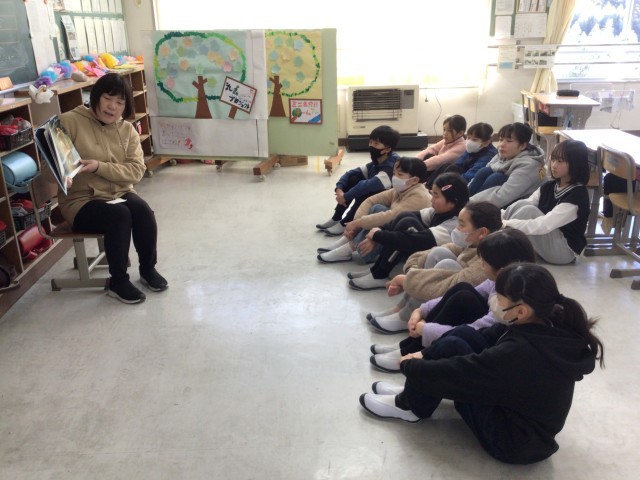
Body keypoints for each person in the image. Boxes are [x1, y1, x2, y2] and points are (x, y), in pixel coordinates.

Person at [359, 263, 605, 465]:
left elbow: (461, 371)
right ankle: (412, 391)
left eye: (500, 298)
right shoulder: (547, 321)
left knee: (452, 349)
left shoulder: (521, 352)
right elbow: (483, 336)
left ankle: (410, 406)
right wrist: (423, 356)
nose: (495, 301)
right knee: (463, 334)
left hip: (512, 441)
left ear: (521, 311)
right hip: (521, 422)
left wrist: (411, 367)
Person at [57, 73, 167, 304]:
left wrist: (99, 167)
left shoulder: (127, 130)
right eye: (108, 98)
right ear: (95, 97)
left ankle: (148, 270)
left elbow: (136, 171)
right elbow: (51, 168)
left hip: (118, 192)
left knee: (143, 211)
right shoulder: (68, 121)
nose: (113, 106)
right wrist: (60, 174)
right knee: (119, 215)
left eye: (120, 102)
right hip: (80, 200)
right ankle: (118, 281)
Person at [369, 228, 536, 373]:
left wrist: (426, 329)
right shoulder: (500, 280)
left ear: (502, 270)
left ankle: (416, 356)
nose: (481, 266)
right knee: (463, 290)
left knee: (462, 307)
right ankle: (410, 347)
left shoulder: (512, 302)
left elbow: (476, 330)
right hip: (482, 335)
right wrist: (422, 310)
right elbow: (470, 291)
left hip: (491, 350)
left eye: (484, 263)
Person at [367, 201, 502, 333]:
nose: (456, 229)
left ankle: (408, 316)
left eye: (461, 225)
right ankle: (402, 308)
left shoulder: (490, 256)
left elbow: (451, 286)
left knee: (447, 265)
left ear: (482, 232)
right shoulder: (474, 243)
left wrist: (407, 280)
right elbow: (424, 254)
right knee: (439, 252)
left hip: (471, 310)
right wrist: (411, 273)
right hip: (449, 294)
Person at [348, 172, 469, 291]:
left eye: (436, 196)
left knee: (407, 226)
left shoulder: (454, 224)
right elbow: (406, 215)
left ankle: (380, 274)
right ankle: (376, 269)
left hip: (435, 262)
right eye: (432, 194)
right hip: (423, 249)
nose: (432, 200)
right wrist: (380, 230)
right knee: (405, 217)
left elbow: (413, 240)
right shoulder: (438, 211)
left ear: (453, 202)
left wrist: (378, 236)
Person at [317, 158, 431, 264]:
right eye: (394, 173)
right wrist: (356, 224)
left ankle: (349, 249)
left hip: (411, 244)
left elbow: (392, 217)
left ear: (415, 180)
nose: (394, 177)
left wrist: (361, 225)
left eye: (400, 174)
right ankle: (347, 240)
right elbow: (371, 201)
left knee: (385, 217)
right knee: (377, 208)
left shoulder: (419, 196)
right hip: (394, 230)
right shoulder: (402, 189)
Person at [502, 140, 590, 264]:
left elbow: (544, 225)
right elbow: (528, 203)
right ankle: (499, 238)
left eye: (560, 161)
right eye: (553, 159)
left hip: (564, 251)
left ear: (575, 164)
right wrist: (500, 216)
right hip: (551, 240)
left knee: (528, 211)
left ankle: (501, 244)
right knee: (523, 205)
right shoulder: (550, 185)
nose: (554, 165)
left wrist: (507, 224)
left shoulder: (577, 196)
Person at [316, 125, 400, 236]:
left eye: (376, 144)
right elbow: (351, 173)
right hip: (375, 196)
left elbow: (367, 186)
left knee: (366, 192)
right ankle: (336, 217)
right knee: (353, 179)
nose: (371, 146)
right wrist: (339, 189)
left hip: (387, 204)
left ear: (387, 149)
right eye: (370, 142)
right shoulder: (377, 162)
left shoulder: (390, 168)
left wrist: (345, 197)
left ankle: (347, 222)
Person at [468, 122, 546, 208]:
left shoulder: (530, 165)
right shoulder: (504, 154)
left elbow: (502, 197)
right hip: (506, 198)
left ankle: (472, 210)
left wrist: (470, 205)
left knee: (497, 177)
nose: (501, 145)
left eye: (509, 141)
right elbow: (478, 177)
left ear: (522, 146)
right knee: (484, 171)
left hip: (522, 205)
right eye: (501, 140)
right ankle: (464, 205)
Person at [424, 122, 497, 189]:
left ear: (486, 142)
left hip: (469, 181)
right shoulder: (472, 149)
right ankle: (430, 186)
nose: (470, 141)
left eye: (475, 140)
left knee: (450, 172)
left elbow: (472, 174)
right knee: (448, 166)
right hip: (463, 174)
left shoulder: (489, 155)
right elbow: (458, 163)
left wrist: (452, 181)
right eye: (468, 138)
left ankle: (436, 189)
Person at [416, 115, 467, 185]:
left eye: (449, 131)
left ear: (460, 133)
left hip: (448, 175)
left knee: (445, 165)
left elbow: (441, 159)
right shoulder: (447, 140)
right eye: (444, 130)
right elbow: (431, 149)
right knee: (428, 155)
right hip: (438, 169)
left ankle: (428, 186)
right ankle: (419, 180)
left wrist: (418, 166)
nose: (445, 133)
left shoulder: (462, 146)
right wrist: (414, 161)